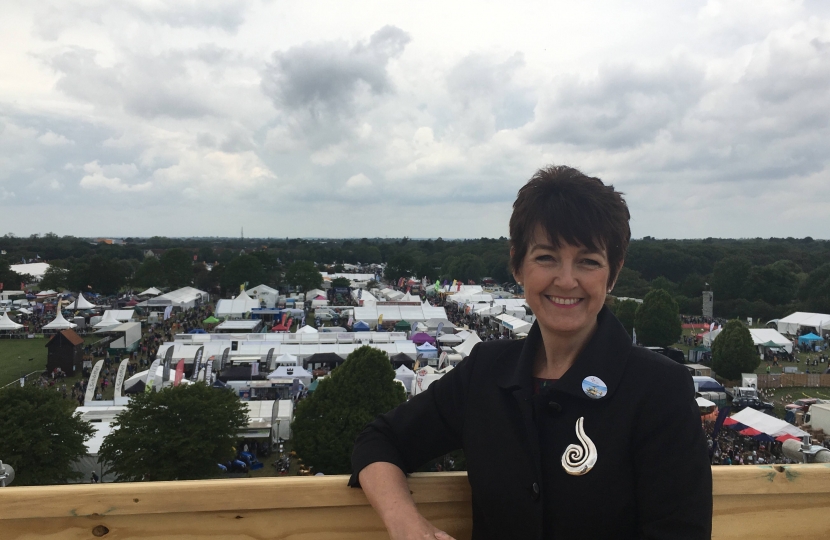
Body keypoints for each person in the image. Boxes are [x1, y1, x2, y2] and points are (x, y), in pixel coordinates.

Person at [349, 166, 712, 539]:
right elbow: (380, 439)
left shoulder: (659, 390)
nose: (566, 280)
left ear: (613, 272)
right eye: (546, 257)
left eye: (588, 261)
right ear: (517, 264)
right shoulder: (486, 372)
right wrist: (408, 526)